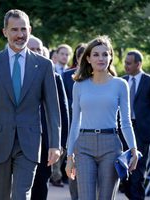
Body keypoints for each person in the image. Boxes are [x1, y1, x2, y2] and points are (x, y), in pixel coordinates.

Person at [0, 9, 61, 200]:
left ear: (30, 30)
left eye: (23, 29)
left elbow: (53, 109)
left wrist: (55, 144)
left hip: (29, 142)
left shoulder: (44, 65)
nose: (20, 35)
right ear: (5, 32)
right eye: (14, 30)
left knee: (22, 195)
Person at [65, 35, 139, 200]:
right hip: (84, 146)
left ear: (111, 57)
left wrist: (133, 149)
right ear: (88, 59)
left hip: (111, 146)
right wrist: (70, 157)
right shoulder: (79, 85)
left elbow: (125, 121)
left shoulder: (120, 85)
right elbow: (75, 122)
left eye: (105, 54)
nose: (101, 58)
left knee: (106, 197)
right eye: (96, 54)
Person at [27, 35, 69, 200]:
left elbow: (63, 112)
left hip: (45, 143)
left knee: (40, 184)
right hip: (17, 140)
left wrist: (61, 143)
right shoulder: (12, 76)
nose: (36, 52)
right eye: (33, 49)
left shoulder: (54, 77)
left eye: (39, 49)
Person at [120, 50, 150, 200]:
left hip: (141, 132)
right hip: (123, 130)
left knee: (138, 170)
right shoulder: (121, 81)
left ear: (138, 64)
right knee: (123, 171)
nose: (125, 66)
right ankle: (130, 192)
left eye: (129, 63)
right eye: (125, 62)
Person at [62, 43, 87, 200]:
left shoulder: (100, 79)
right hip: (72, 129)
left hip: (93, 131)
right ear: (77, 59)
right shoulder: (66, 76)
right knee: (74, 171)